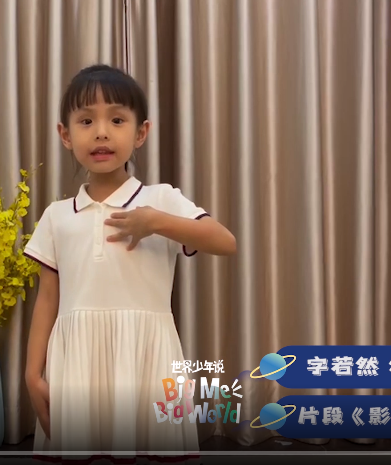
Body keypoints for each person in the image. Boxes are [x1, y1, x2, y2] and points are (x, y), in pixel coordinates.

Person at [23, 64, 237, 461]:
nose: (101, 132)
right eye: (86, 121)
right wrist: (32, 373)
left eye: (117, 120)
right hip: (77, 362)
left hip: (148, 357)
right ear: (65, 135)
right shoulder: (56, 215)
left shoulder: (161, 199)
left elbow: (225, 242)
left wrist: (155, 222)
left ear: (141, 132)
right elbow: (48, 297)